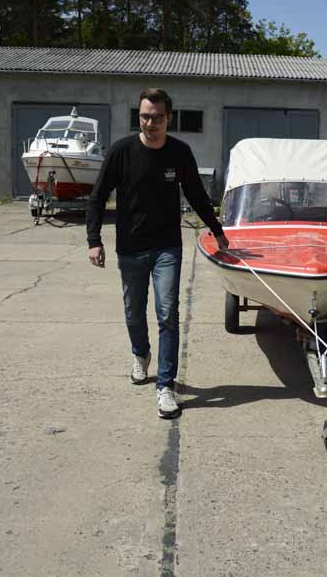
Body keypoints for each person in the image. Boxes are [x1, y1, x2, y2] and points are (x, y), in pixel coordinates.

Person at [87, 88, 228, 420]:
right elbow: (97, 196)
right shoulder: (122, 151)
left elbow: (196, 194)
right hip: (130, 248)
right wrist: (94, 239)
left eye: (157, 117)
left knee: (167, 313)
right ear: (139, 116)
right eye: (145, 116)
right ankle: (141, 354)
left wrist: (218, 232)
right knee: (134, 312)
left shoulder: (179, 153)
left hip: (167, 247)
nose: (150, 123)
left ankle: (166, 385)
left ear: (168, 118)